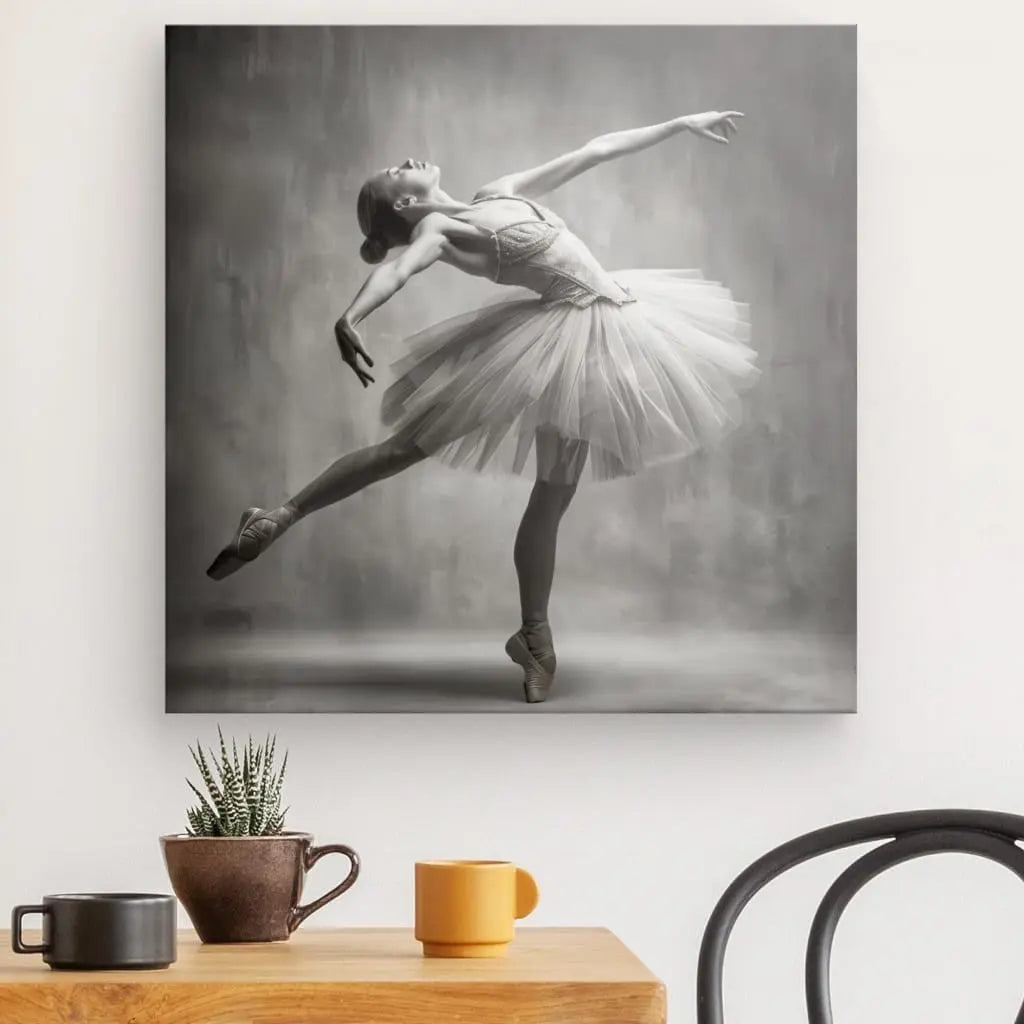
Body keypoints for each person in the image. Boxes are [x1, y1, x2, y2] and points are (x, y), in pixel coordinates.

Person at [207, 110, 757, 703]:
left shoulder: (496, 192)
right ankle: (275, 520)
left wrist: (681, 123)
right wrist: (350, 316)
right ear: (401, 205)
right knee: (404, 451)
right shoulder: (435, 235)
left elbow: (595, 149)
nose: (409, 160)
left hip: (596, 333)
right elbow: (397, 272)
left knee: (550, 496)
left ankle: (533, 638)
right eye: (395, 172)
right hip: (553, 345)